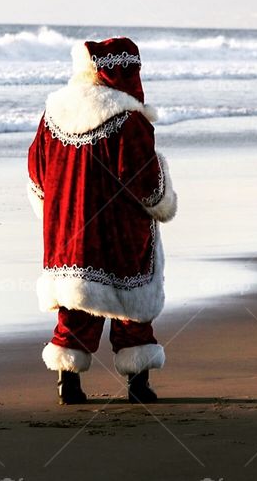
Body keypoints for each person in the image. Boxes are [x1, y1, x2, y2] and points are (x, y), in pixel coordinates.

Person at [26, 37, 177, 404]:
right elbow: (147, 184)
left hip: (70, 231)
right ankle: (137, 384)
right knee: (131, 305)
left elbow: (36, 173)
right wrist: (163, 200)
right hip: (120, 230)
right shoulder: (127, 118)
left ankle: (69, 383)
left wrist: (58, 214)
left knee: (76, 304)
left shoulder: (53, 113)